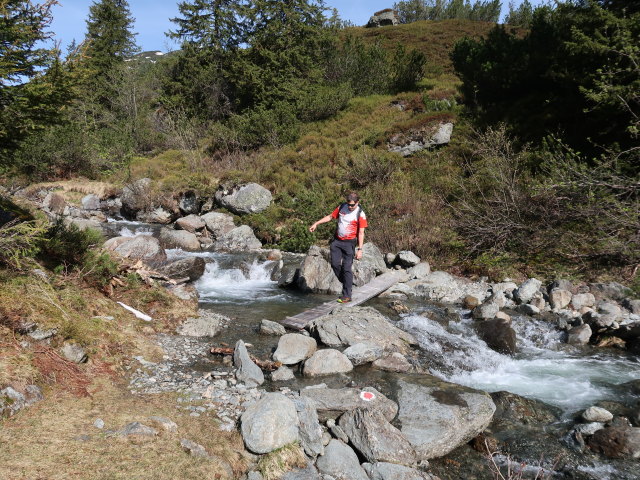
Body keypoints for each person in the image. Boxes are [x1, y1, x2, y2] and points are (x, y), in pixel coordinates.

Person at [309, 192, 367, 303]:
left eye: (352, 205)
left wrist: (360, 249)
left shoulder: (360, 214)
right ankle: (347, 282)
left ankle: (347, 295)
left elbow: (361, 233)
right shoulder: (342, 207)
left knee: (346, 268)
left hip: (349, 243)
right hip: (337, 241)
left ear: (357, 203)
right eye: (348, 204)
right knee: (335, 264)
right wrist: (316, 223)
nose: (350, 207)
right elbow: (331, 217)